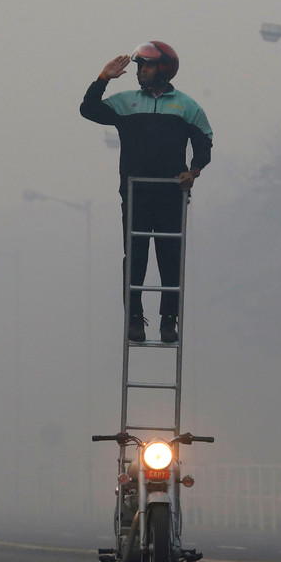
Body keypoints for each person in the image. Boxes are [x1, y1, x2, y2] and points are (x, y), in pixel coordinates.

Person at [80, 41, 213, 343]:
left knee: (169, 256)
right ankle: (135, 320)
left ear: (164, 69)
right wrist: (103, 78)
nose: (141, 72)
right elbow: (88, 110)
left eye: (147, 66)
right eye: (140, 66)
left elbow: (204, 142)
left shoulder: (187, 106)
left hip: (171, 193)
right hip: (135, 191)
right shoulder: (125, 102)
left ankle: (169, 321)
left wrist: (193, 172)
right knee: (136, 255)